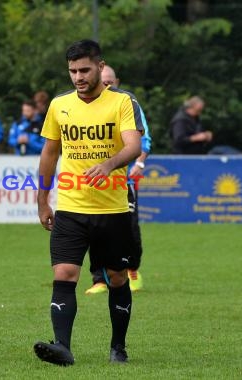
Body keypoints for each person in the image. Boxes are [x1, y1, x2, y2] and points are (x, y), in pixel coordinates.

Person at [33, 39, 144, 366]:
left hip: (112, 210)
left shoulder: (122, 102)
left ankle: (118, 348)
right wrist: (42, 199)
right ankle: (62, 347)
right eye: (72, 71)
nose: (78, 76)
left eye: (84, 70)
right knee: (65, 274)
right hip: (70, 207)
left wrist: (109, 164)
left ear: (99, 66)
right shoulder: (59, 105)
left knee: (117, 277)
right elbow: (49, 154)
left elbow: (133, 145)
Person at [85, 64, 151, 294]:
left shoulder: (128, 104)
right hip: (95, 180)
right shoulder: (85, 105)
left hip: (124, 180)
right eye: (102, 81)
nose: (106, 85)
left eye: (110, 81)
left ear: (117, 81)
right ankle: (99, 278)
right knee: (93, 228)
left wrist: (139, 163)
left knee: (128, 227)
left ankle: (131, 269)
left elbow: (144, 140)